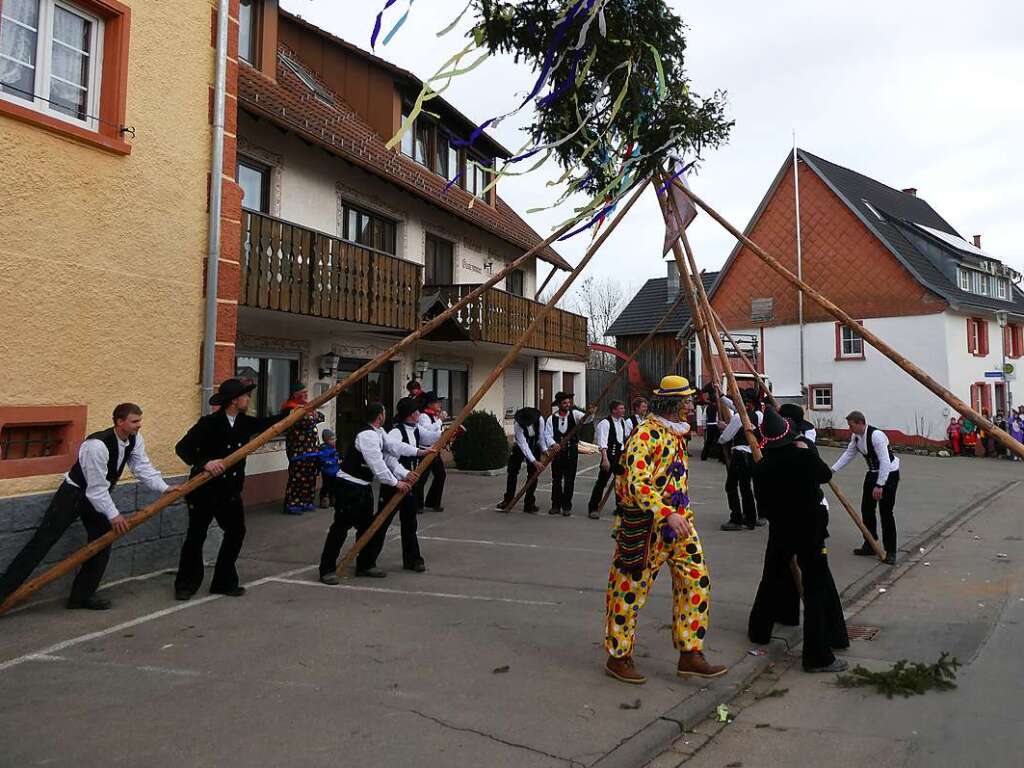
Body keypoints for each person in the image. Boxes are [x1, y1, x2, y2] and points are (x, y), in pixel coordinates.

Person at [604, 375, 727, 684]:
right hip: (647, 526)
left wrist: (677, 514)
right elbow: (637, 482)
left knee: (697, 582)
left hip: (681, 524)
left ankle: (690, 653)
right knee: (629, 591)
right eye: (686, 400)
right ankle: (618, 656)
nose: (690, 405)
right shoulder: (645, 433)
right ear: (673, 403)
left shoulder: (677, 433)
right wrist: (666, 513)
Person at [0, 404, 173, 611]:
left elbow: (142, 467)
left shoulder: (134, 440)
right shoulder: (96, 445)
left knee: (102, 542)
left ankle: (81, 597)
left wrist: (164, 488)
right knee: (42, 542)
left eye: (139, 420)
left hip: (97, 498)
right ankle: (2, 593)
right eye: (135, 421)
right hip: (73, 495)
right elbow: (95, 488)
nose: (139, 425)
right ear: (119, 422)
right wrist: (114, 515)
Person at [749, 407, 849, 673]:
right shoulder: (802, 457)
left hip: (780, 530)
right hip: (809, 531)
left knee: (771, 578)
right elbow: (825, 475)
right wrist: (806, 451)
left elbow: (764, 505)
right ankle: (818, 655)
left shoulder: (761, 466)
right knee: (816, 588)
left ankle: (759, 630)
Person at [174, 379, 286, 600]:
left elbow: (268, 423)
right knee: (196, 536)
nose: (248, 399)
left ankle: (223, 581)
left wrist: (294, 413)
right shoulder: (208, 423)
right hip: (204, 489)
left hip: (230, 491)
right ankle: (186, 584)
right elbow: (182, 448)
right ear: (234, 400)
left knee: (236, 532)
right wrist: (204, 463)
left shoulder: (245, 423)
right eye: (245, 396)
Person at [318, 402, 425, 583]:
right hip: (349, 487)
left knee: (369, 528)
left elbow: (394, 448)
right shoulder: (367, 435)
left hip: (364, 487)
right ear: (380, 416)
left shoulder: (380, 433)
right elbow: (377, 465)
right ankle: (326, 569)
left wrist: (419, 453)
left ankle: (365, 564)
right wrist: (396, 483)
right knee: (341, 528)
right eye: (384, 413)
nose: (386, 416)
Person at [366, 397, 428, 573]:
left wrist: (449, 433)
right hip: (394, 484)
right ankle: (367, 561)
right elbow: (389, 459)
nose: (419, 414)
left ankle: (413, 559)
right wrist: (404, 475)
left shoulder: (416, 429)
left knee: (410, 523)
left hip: (410, 484)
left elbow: (431, 437)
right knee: (382, 522)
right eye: (416, 411)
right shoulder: (395, 432)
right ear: (409, 414)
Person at [831, 410, 900, 565]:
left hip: (889, 474)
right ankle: (870, 542)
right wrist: (832, 470)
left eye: (851, 425)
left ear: (861, 423)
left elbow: (885, 462)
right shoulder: (856, 437)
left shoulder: (876, 436)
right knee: (866, 509)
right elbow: (848, 455)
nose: (850, 429)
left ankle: (891, 550)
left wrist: (880, 485)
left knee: (886, 512)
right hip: (872, 472)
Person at [718, 391, 763, 531]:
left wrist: (723, 431)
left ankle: (736, 518)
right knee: (746, 487)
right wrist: (722, 397)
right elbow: (734, 406)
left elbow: (726, 437)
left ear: (748, 404)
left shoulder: (738, 418)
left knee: (730, 486)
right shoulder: (759, 415)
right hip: (753, 454)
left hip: (740, 454)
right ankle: (751, 518)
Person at [281, 382, 325, 515]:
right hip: (298, 451)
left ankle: (306, 501)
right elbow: (306, 421)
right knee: (297, 479)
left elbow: (321, 416)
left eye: (306, 392)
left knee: (310, 478)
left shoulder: (305, 408)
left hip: (311, 451)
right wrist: (312, 415)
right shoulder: (290, 408)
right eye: (303, 392)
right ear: (295, 394)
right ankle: (293, 503)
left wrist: (312, 414)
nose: (306, 394)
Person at [497, 406, 546, 513]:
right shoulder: (518, 425)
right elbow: (523, 445)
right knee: (512, 471)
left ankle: (529, 503)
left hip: (534, 445)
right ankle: (508, 499)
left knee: (533, 474)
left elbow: (541, 437)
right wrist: (534, 461)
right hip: (520, 447)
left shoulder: (540, 420)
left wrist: (545, 450)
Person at [544, 391, 585, 516]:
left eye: (568, 402)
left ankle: (567, 506)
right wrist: (553, 444)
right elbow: (547, 434)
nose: (568, 404)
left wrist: (591, 413)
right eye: (565, 403)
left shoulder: (575, 414)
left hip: (571, 450)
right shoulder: (552, 418)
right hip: (557, 452)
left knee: (569, 479)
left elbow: (586, 419)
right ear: (559, 404)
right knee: (556, 479)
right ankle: (555, 505)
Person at [588, 400, 629, 519]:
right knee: (601, 482)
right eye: (621, 408)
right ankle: (593, 508)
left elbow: (624, 439)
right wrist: (605, 460)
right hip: (609, 456)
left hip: (620, 457)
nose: (623, 410)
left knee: (620, 483)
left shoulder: (622, 422)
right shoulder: (605, 423)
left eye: (623, 408)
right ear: (614, 410)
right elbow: (602, 443)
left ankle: (620, 508)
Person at [290, 429, 340, 509]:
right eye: (331, 439)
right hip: (326, 471)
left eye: (334, 439)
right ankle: (324, 499)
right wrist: (331, 462)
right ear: (326, 440)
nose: (334, 441)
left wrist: (338, 462)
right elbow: (322, 459)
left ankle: (333, 498)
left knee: (334, 486)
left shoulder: (334, 448)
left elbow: (336, 457)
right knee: (326, 486)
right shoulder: (323, 448)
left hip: (335, 471)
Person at [416, 392, 448, 512]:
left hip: (435, 449)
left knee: (441, 475)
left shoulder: (434, 415)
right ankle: (418, 504)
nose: (439, 404)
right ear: (429, 404)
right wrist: (440, 421)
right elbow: (427, 433)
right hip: (425, 450)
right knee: (421, 478)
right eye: (437, 402)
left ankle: (433, 501)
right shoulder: (423, 416)